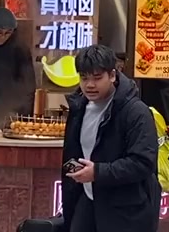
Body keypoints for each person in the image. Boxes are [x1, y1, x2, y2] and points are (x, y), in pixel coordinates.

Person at [61, 44, 159, 232]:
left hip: (126, 211)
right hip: (88, 201)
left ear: (112, 75)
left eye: (97, 78)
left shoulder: (136, 112)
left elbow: (143, 162)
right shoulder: (79, 107)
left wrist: (98, 172)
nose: (90, 85)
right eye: (84, 78)